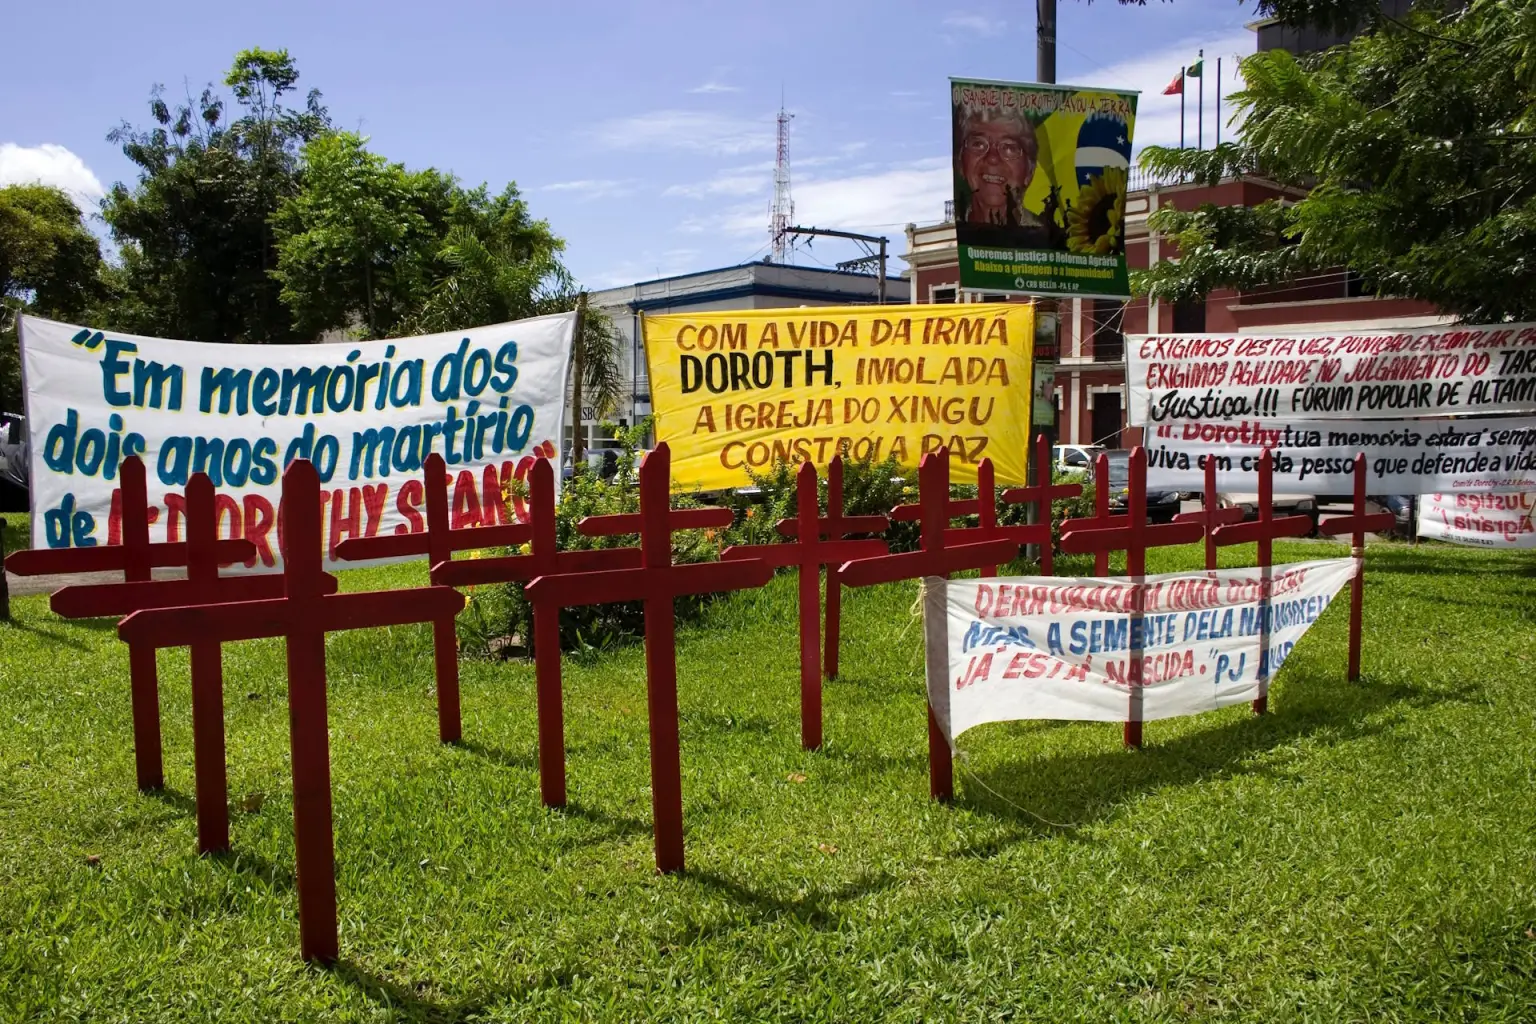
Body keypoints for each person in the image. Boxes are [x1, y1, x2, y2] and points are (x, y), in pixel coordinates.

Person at [956, 105, 1048, 241]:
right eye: (978, 144)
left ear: (1029, 172)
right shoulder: (953, 234)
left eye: (1009, 147)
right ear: (960, 162)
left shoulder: (1050, 240)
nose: (992, 158)